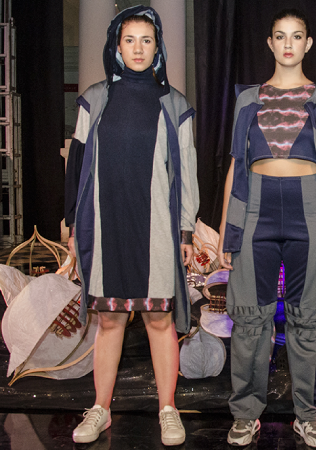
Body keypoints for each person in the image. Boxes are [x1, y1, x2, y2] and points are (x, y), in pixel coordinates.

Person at [64, 6, 199, 446]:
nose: (138, 49)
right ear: (117, 47)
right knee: (109, 320)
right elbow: (76, 166)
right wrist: (72, 225)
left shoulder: (174, 104)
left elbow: (187, 174)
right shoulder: (94, 99)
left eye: (146, 40)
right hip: (106, 226)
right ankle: (101, 409)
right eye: (130, 40)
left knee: (160, 319)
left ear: (157, 48)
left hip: (155, 228)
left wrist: (185, 230)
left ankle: (168, 409)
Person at [217, 8, 316, 448]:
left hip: (309, 210)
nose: (288, 44)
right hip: (255, 209)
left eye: (296, 36)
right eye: (280, 36)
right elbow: (235, 165)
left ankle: (307, 416)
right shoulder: (248, 99)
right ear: (270, 43)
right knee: (249, 318)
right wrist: (226, 229)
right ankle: (245, 414)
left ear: (308, 44)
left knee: (308, 318)